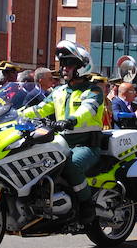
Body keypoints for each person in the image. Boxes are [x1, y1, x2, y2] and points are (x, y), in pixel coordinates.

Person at [18, 40, 104, 225]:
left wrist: (71, 120)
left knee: (71, 165)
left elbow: (87, 110)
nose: (64, 68)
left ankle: (87, 204)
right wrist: (16, 114)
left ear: (81, 67)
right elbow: (40, 108)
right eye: (63, 63)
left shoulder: (93, 90)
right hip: (61, 143)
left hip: (86, 145)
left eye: (69, 64)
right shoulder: (59, 91)